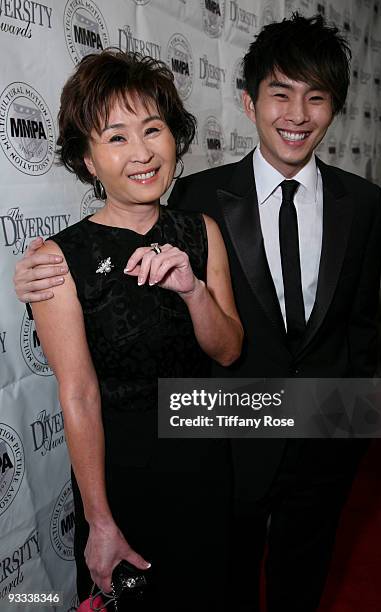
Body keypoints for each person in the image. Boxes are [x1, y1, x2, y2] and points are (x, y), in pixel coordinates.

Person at [14, 13, 381, 612]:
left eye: (315, 98)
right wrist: (29, 274)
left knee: (298, 579)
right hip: (226, 450)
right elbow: (80, 376)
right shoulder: (198, 196)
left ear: (335, 108)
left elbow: (363, 325)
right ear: (248, 101)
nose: (296, 114)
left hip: (314, 440)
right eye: (280, 93)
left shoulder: (364, 203)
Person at [19, 49, 243, 611]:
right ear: (89, 161)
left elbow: (230, 349)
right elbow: (78, 394)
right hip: (122, 475)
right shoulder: (58, 257)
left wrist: (193, 289)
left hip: (203, 460)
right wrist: (98, 518)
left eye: (153, 130)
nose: (142, 153)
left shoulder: (201, 231)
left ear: (175, 138)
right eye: (116, 137)